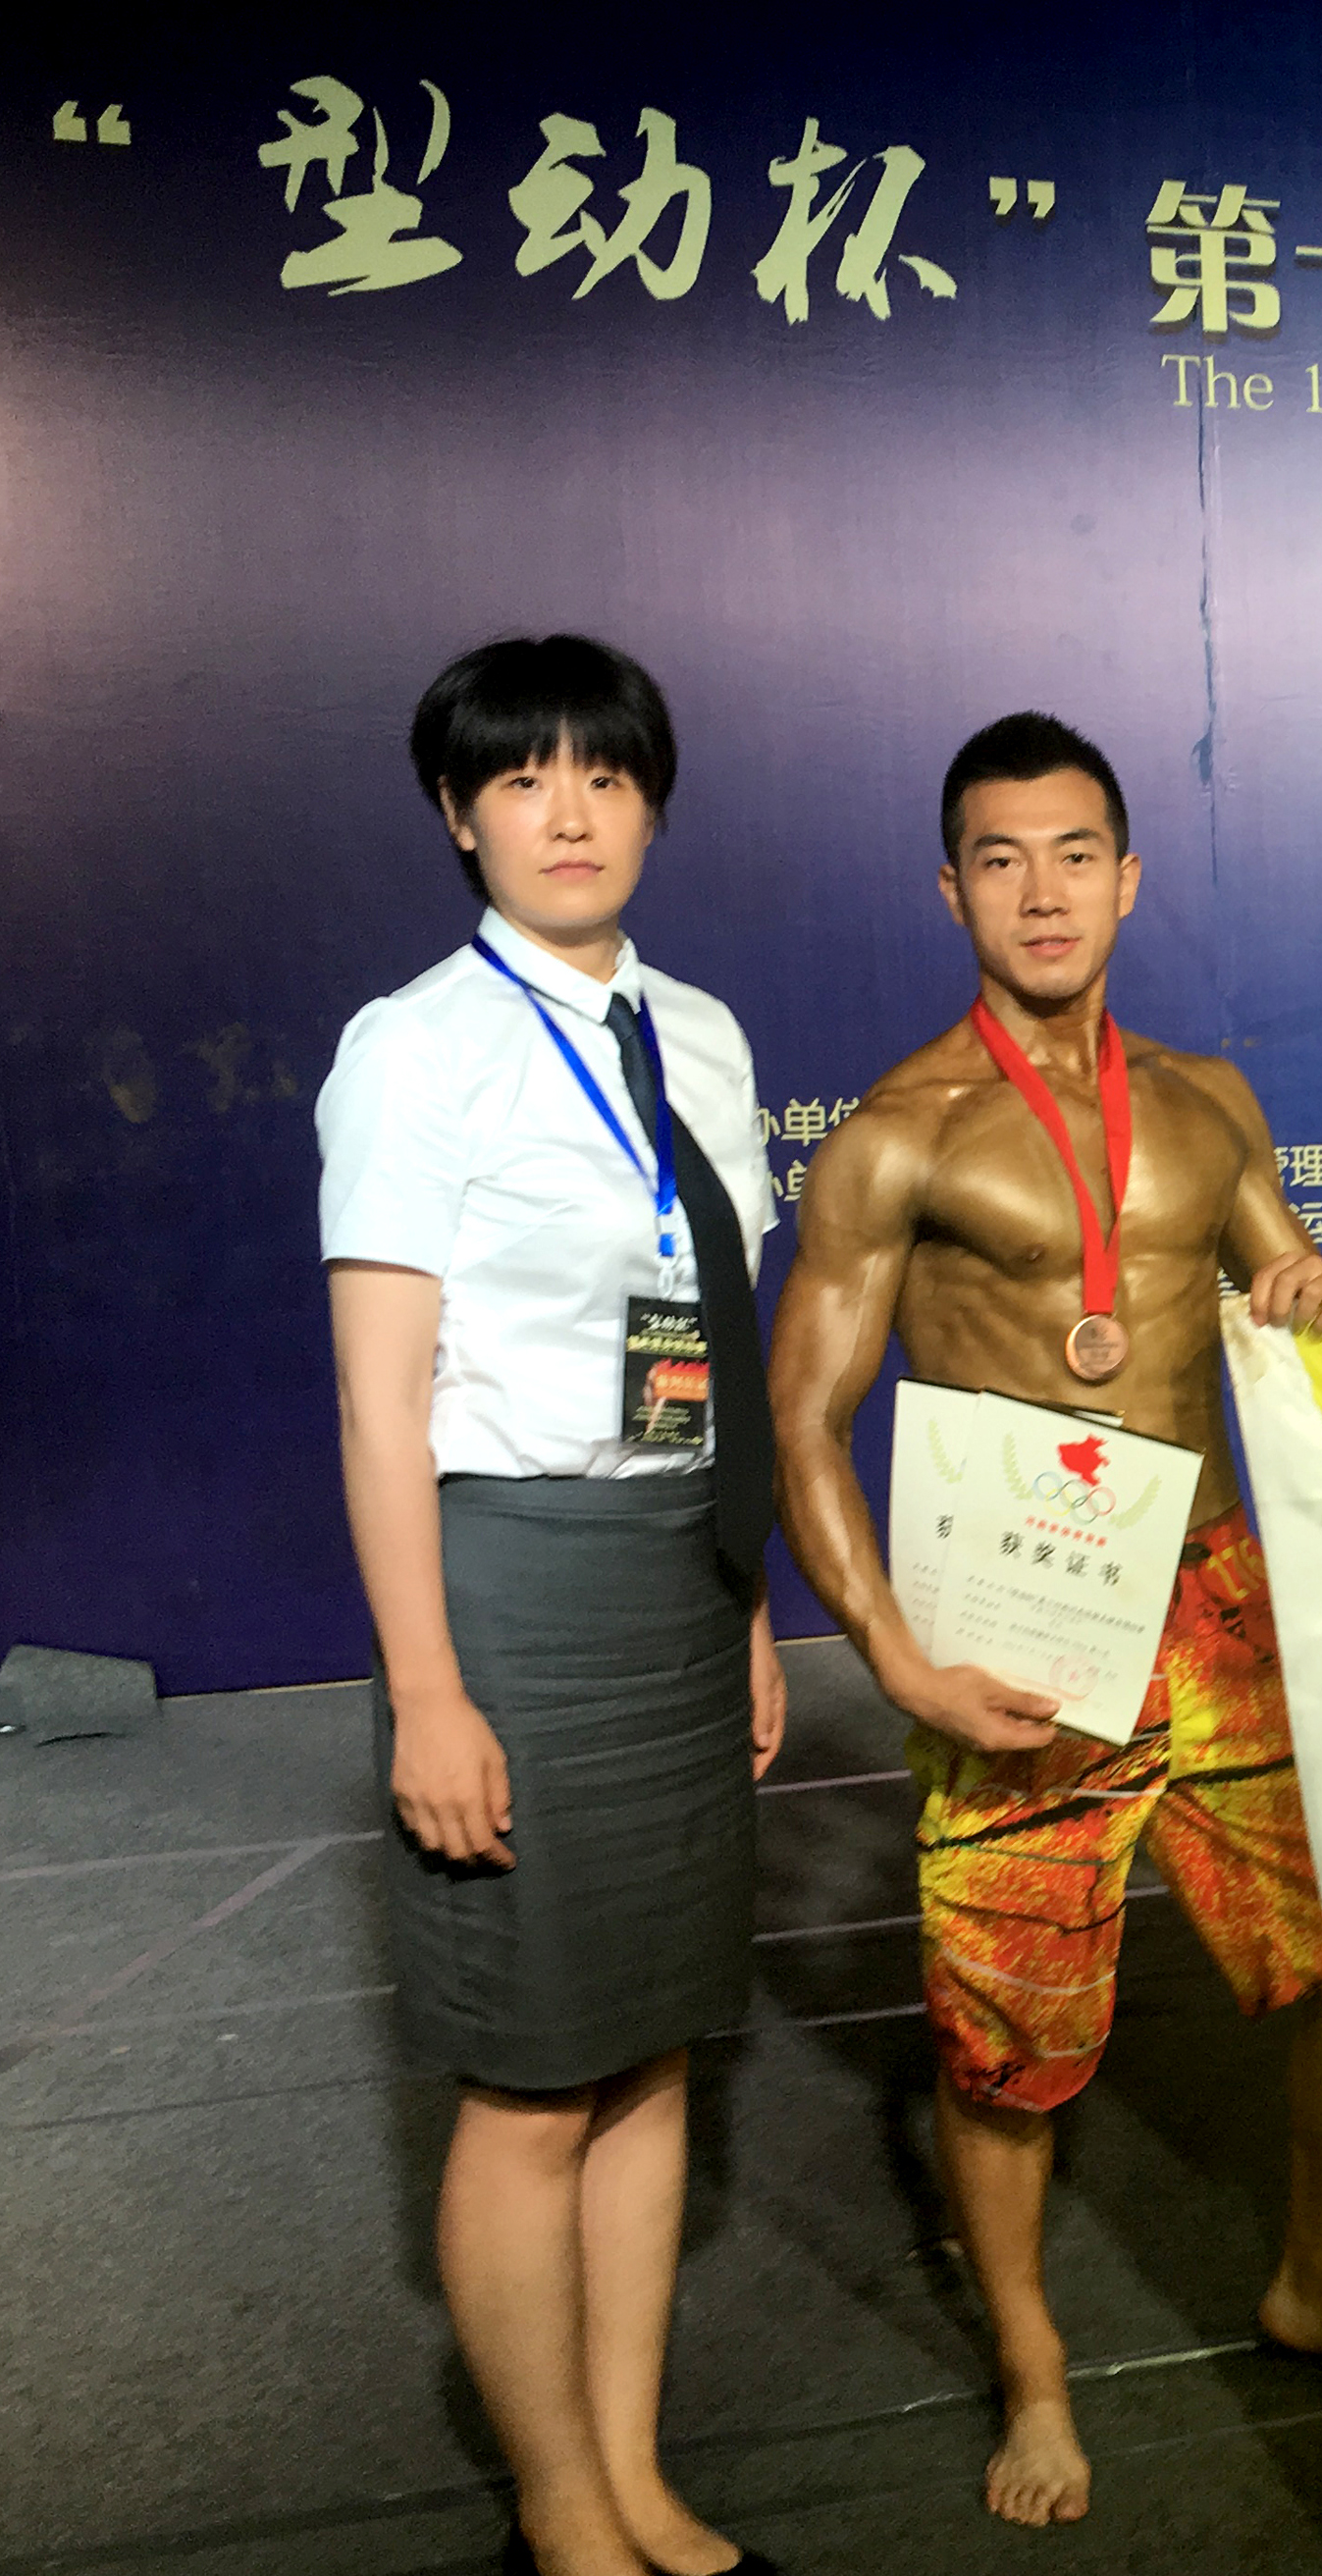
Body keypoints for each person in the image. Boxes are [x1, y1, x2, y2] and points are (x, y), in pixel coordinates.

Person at [767, 712, 1322, 2527]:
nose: (1043, 891)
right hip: (1019, 1623)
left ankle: (1319, 2281)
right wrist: (897, 1658)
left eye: (1075, 853)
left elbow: (1282, 1279)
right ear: (952, 888)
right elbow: (802, 1420)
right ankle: (1034, 2376)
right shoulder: (897, 1137)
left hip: (1213, 1591)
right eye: (1002, 858)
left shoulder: (1208, 1099)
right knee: (1006, 2036)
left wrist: (1308, 1284)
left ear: (1129, 876)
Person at [319, 636, 784, 2576]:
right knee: (529, 2081)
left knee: (655, 2051)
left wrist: (737, 1599)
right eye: (522, 777)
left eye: (605, 773)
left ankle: (633, 2469)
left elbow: (701, 1342)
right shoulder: (413, 1047)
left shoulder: (705, 1036)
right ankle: (557, 2499)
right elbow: (380, 1406)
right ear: (460, 815)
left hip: (673, 1575)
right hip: (504, 1589)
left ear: (652, 801)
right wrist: (427, 1689)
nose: (569, 810)